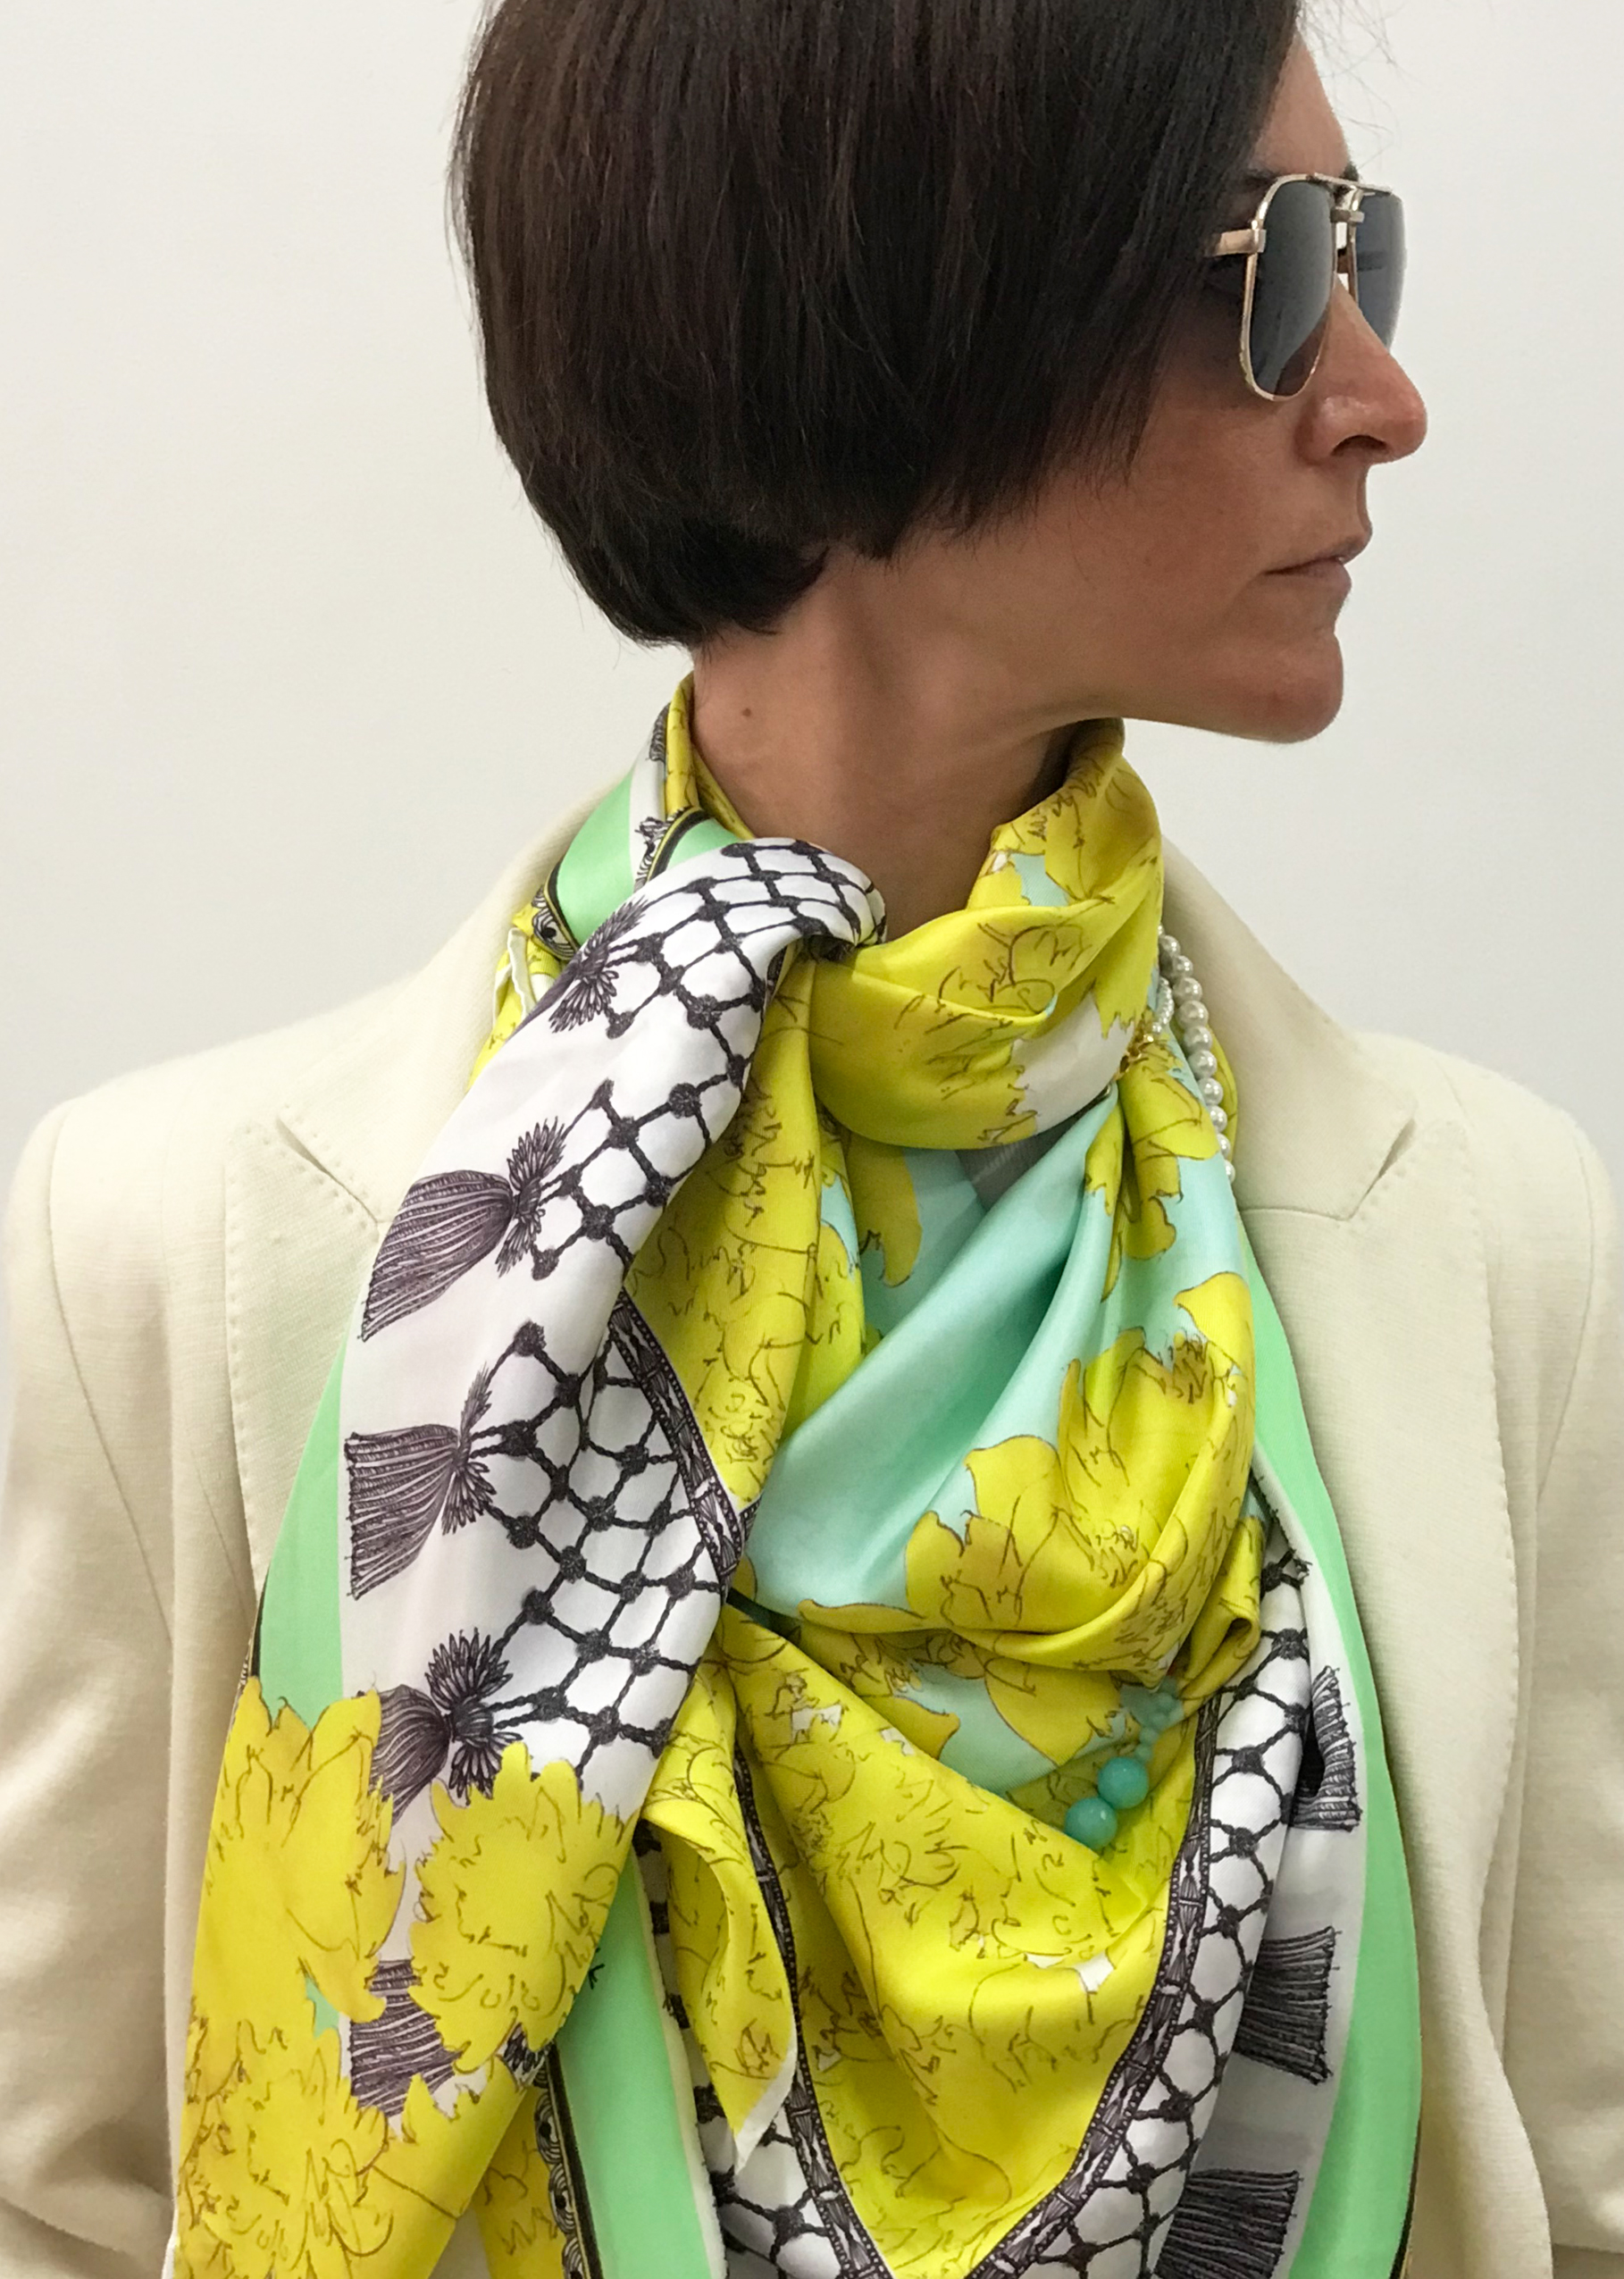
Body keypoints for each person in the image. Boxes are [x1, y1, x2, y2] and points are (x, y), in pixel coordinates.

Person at [0, 2, 1618, 2275]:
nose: (1378, 392)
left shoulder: (1498, 1249)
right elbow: (65, 2204)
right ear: (909, 296)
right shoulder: (179, 1255)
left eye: (1370, 256)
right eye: (1275, 270)